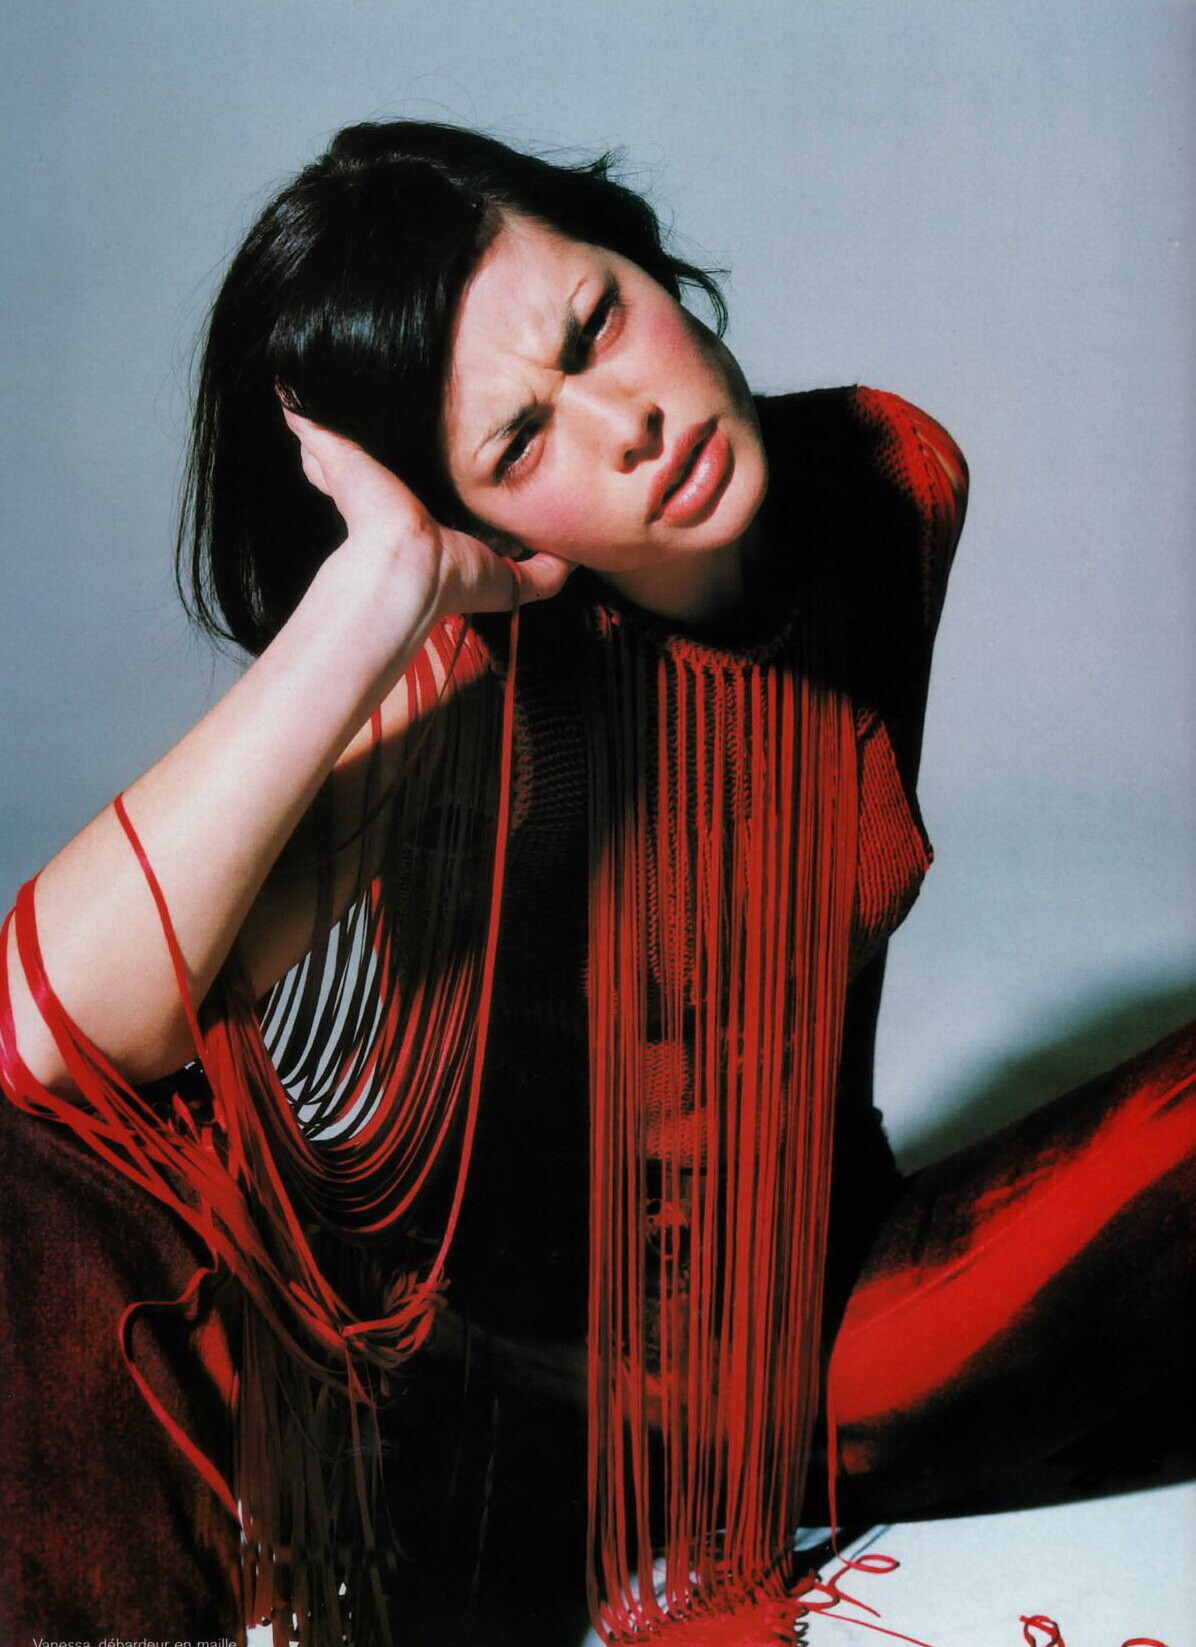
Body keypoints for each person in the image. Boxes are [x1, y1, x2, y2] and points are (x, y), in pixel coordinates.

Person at [0, 119, 1192, 1647]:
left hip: (812, 1322)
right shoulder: (450, 696)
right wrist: (373, 593)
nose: (625, 423)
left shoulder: (892, 476)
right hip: (492, 1410)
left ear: (641, 261)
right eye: (519, 444)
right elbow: (36, 1043)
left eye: (594, 326)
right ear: (472, 520)